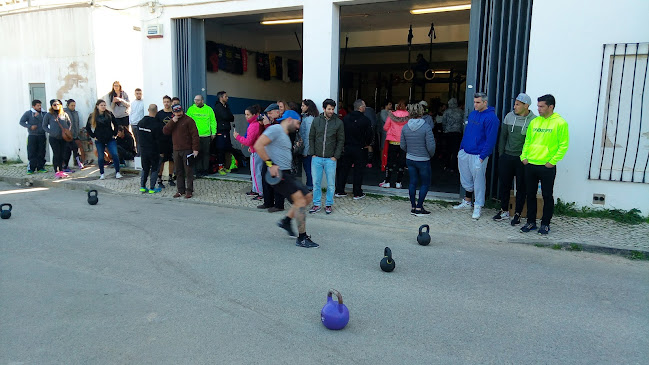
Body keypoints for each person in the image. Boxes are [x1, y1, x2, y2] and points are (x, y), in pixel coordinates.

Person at [253, 110, 319, 248]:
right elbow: (258, 145)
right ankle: (302, 238)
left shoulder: (284, 134)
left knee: (307, 196)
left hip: (287, 173)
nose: (298, 126)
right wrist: (270, 164)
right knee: (300, 200)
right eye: (298, 122)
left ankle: (286, 221)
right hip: (278, 174)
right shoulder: (275, 129)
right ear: (289, 119)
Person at [519, 94, 569, 235]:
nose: (538, 109)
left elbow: (563, 145)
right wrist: (524, 157)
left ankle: (545, 224)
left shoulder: (560, 123)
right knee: (530, 194)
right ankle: (530, 222)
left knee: (547, 196)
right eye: (538, 106)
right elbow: (528, 141)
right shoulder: (535, 122)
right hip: (530, 164)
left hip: (547, 166)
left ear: (551, 107)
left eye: (542, 106)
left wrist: (552, 162)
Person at [453, 92, 500, 220]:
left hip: (478, 154)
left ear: (485, 102)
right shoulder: (473, 113)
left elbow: (490, 140)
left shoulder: (491, 118)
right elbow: (467, 133)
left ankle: (478, 206)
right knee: (466, 178)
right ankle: (467, 201)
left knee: (478, 181)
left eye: (478, 102)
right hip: (466, 151)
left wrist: (482, 156)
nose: (475, 104)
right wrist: (461, 149)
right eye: (474, 102)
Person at [493, 93, 536, 224]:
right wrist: (501, 154)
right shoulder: (509, 116)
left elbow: (533, 141)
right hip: (507, 156)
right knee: (504, 185)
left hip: (522, 159)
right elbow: (503, 137)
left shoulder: (534, 120)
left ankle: (517, 213)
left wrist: (528, 158)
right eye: (515, 103)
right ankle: (504, 210)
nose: (514, 106)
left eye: (518, 104)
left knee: (521, 187)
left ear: (526, 106)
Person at [308, 98, 344, 215]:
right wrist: (312, 152)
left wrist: (336, 156)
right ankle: (316, 204)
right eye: (329, 109)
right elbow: (311, 137)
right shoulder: (316, 121)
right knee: (316, 183)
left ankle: (329, 204)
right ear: (324, 109)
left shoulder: (338, 122)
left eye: (333, 109)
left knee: (331, 184)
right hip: (317, 157)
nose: (331, 111)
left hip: (330, 159)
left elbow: (340, 140)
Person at [401, 103, 436, 216]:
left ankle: (413, 206)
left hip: (410, 158)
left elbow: (402, 145)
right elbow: (431, 146)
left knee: (412, 182)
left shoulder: (405, 127)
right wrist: (429, 155)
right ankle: (420, 207)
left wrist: (410, 151)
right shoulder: (426, 127)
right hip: (423, 158)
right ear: (421, 112)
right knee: (425, 183)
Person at [335, 99, 372, 199]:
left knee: (344, 169)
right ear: (360, 108)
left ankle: (339, 190)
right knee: (358, 171)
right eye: (364, 106)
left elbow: (341, 133)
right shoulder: (366, 120)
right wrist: (367, 144)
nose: (365, 108)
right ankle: (357, 192)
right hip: (360, 148)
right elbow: (369, 135)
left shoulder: (346, 119)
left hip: (347, 147)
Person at [163, 104, 199, 199]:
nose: (178, 113)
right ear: (173, 112)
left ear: (182, 110)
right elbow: (165, 131)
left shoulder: (189, 120)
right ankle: (180, 190)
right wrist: (172, 122)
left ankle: (189, 191)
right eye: (176, 112)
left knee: (188, 171)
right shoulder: (173, 120)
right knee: (178, 171)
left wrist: (195, 149)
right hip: (176, 150)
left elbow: (195, 135)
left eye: (179, 111)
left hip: (187, 149)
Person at [257, 103, 286, 212]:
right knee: (265, 176)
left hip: (278, 156)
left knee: (277, 180)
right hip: (268, 155)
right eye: (267, 113)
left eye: (270, 113)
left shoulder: (281, 123)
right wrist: (261, 125)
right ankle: (268, 202)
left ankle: (279, 205)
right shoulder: (270, 123)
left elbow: (273, 137)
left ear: (277, 112)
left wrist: (267, 125)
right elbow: (262, 138)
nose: (268, 115)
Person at [85, 99, 122, 180]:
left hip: (110, 138)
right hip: (99, 139)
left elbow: (115, 124)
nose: (103, 107)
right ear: (97, 106)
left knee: (115, 154)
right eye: (101, 105)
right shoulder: (93, 115)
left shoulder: (109, 114)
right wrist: (93, 135)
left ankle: (117, 172)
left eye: (104, 105)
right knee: (101, 157)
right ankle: (102, 173)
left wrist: (114, 134)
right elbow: (88, 127)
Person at [234, 105, 264, 198]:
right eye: (245, 114)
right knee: (255, 172)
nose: (246, 116)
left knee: (256, 173)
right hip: (256, 149)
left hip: (256, 152)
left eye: (248, 114)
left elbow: (248, 141)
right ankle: (256, 190)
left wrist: (238, 137)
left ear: (254, 115)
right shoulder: (255, 124)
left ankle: (260, 192)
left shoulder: (254, 125)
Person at [380, 100, 409, 188]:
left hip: (392, 141)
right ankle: (398, 182)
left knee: (390, 162)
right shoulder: (408, 116)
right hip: (403, 141)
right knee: (401, 162)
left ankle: (388, 181)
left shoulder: (392, 115)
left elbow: (385, 127)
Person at [186, 95, 216, 177]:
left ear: (202, 101)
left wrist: (213, 132)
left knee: (206, 153)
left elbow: (213, 121)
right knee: (197, 153)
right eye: (195, 100)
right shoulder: (191, 109)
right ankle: (198, 170)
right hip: (195, 136)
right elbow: (187, 122)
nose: (196, 102)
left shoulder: (209, 109)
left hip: (206, 135)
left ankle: (205, 170)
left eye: (198, 100)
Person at [42, 99, 72, 178]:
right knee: (56, 154)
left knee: (62, 154)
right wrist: (50, 131)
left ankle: (61, 170)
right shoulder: (48, 115)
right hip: (54, 138)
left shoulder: (64, 114)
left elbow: (69, 123)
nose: (56, 106)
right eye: (54, 105)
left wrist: (67, 131)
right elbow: (44, 126)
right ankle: (56, 171)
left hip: (63, 138)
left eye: (58, 104)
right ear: (52, 106)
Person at [137, 104, 163, 193]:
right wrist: (161, 151)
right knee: (154, 168)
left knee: (145, 168)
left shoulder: (141, 122)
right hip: (153, 150)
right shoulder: (157, 124)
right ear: (156, 111)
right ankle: (152, 188)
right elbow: (159, 140)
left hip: (143, 149)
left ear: (148, 110)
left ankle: (142, 186)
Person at [19, 99, 47, 174]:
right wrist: (30, 126)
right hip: (32, 135)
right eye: (38, 106)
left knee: (41, 151)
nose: (39, 107)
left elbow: (45, 122)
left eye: (40, 105)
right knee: (32, 152)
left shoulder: (44, 113)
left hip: (42, 135)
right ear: (33, 106)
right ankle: (31, 168)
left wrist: (38, 117)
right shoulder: (28, 113)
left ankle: (41, 167)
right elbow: (21, 122)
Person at [155, 95, 176, 189]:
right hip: (162, 141)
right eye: (165, 102)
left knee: (172, 159)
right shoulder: (159, 114)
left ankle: (170, 177)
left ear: (171, 102)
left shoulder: (174, 113)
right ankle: (159, 179)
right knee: (162, 161)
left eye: (168, 101)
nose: (166, 103)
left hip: (172, 140)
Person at [440, 98, 464, 172]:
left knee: (448, 150)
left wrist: (444, 130)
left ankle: (446, 165)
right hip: (457, 132)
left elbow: (443, 122)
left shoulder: (446, 112)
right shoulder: (461, 112)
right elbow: (463, 122)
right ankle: (453, 167)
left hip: (448, 133)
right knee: (455, 150)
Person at [214, 91, 235, 174]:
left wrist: (228, 116)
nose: (227, 98)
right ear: (221, 98)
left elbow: (232, 117)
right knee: (220, 149)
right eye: (226, 96)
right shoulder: (218, 107)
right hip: (220, 131)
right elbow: (226, 116)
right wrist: (228, 116)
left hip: (227, 130)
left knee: (227, 148)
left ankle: (226, 166)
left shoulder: (226, 106)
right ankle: (220, 167)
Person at [299, 99, 318, 191]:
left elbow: (308, 136)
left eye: (303, 105)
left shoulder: (309, 119)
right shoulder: (306, 118)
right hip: (309, 149)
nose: (301, 107)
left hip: (309, 150)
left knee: (309, 169)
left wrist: (306, 151)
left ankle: (310, 186)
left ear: (308, 107)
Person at [62, 99, 85, 171]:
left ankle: (81, 162)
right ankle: (64, 165)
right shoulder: (64, 112)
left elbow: (77, 123)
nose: (73, 107)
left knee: (79, 147)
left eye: (74, 105)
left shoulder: (75, 113)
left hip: (75, 134)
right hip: (68, 135)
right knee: (67, 151)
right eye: (72, 105)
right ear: (68, 105)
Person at [129, 88, 144, 155]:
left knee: (141, 140)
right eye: (137, 93)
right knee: (137, 140)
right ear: (135, 94)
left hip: (140, 124)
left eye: (140, 93)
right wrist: (131, 121)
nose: (138, 95)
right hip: (133, 124)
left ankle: (140, 154)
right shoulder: (133, 103)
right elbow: (131, 112)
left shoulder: (144, 102)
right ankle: (138, 154)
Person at [363, 103, 378, 168]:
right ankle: (369, 162)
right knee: (370, 145)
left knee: (361, 145)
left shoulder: (363, 111)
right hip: (372, 129)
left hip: (363, 129)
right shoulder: (372, 112)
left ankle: (357, 161)